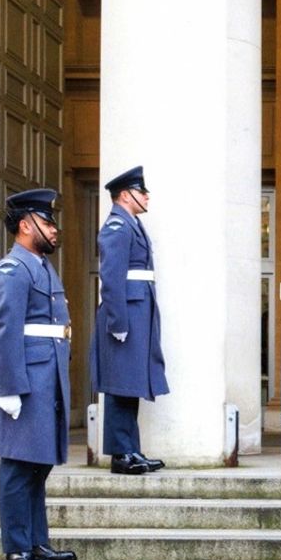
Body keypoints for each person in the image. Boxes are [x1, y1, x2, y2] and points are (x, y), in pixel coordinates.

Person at [0, 188, 78, 560]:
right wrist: (8, 388)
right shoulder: (13, 269)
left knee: (38, 467)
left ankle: (37, 541)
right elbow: (4, 332)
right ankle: (17, 548)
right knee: (19, 467)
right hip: (25, 382)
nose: (54, 229)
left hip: (45, 378)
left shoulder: (40, 266)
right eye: (47, 222)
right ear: (26, 225)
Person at [91, 165, 169, 474]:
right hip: (126, 314)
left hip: (137, 310)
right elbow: (111, 278)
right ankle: (121, 454)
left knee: (130, 382)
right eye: (141, 191)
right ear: (125, 195)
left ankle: (130, 449)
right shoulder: (117, 227)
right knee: (119, 384)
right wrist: (118, 322)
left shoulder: (130, 224)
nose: (147, 196)